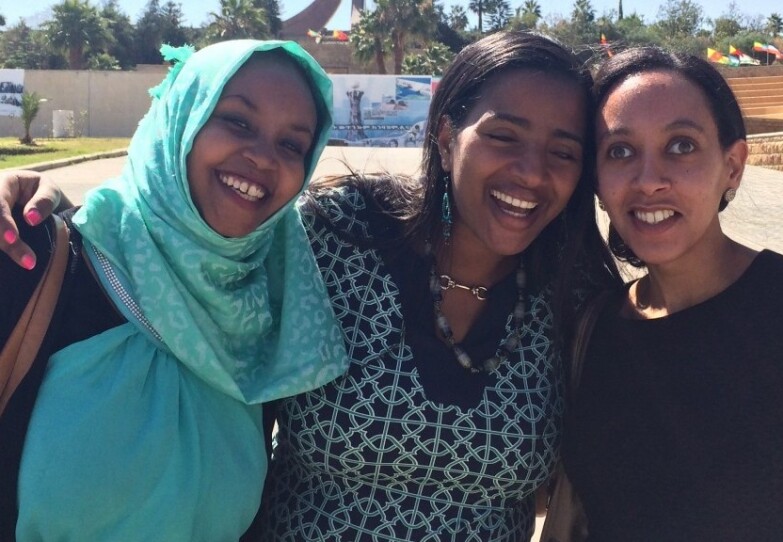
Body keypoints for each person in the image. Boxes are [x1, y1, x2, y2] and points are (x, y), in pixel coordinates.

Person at [1, 31, 622, 541]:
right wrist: (36, 200)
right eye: (504, 135)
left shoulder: (571, 297)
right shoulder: (336, 238)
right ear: (444, 132)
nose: (531, 171)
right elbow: (180, 230)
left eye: (563, 152)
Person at [0, 39, 348, 541]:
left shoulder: (261, 317)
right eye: (237, 121)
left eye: (292, 144)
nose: (263, 158)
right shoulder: (30, 260)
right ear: (181, 118)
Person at [561, 46, 783, 540]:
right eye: (620, 151)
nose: (649, 181)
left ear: (733, 165)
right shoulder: (591, 331)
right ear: (597, 181)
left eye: (681, 145)